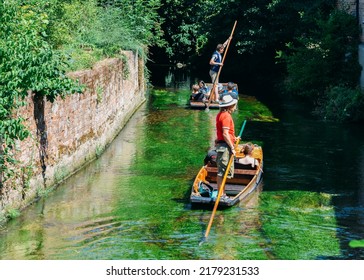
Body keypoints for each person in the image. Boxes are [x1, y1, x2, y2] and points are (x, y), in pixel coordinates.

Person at [215, 94, 238, 199]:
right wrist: (232, 148)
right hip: (224, 147)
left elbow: (225, 133)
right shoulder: (226, 116)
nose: (235, 107)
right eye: (234, 105)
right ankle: (221, 194)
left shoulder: (220, 114)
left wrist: (234, 138)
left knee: (223, 171)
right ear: (230, 106)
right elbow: (224, 134)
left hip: (222, 145)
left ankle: (222, 194)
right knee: (222, 172)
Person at [209, 37, 231, 102]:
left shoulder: (218, 52)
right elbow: (211, 62)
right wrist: (219, 63)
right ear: (219, 49)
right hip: (213, 72)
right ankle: (216, 98)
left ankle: (215, 97)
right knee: (215, 85)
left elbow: (224, 45)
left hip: (216, 72)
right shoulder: (215, 54)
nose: (223, 50)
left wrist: (228, 39)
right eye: (222, 49)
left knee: (216, 84)